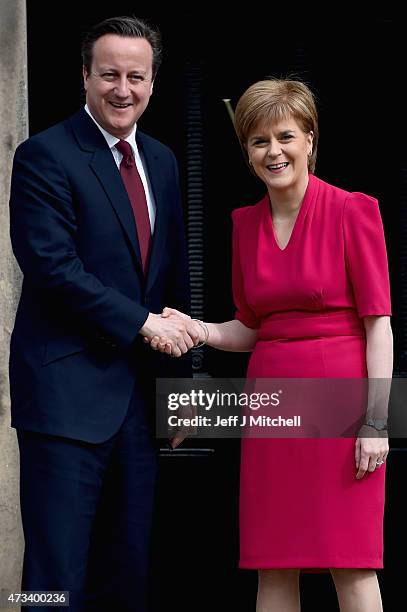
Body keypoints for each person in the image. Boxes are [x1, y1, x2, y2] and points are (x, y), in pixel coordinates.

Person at [150, 78, 393, 611]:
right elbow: (253, 327)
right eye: (259, 142)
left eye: (285, 136)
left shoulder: (354, 210)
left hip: (344, 407)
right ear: (247, 153)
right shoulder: (243, 224)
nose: (273, 151)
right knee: (272, 562)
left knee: (350, 561)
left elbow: (379, 326)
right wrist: (199, 328)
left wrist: (377, 422)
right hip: (271, 406)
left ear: (309, 138)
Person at [9, 15, 197, 612]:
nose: (123, 89)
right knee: (52, 579)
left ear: (152, 82)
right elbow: (52, 267)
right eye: (109, 74)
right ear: (85, 76)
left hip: (140, 408)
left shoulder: (163, 161)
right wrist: (144, 324)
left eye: (136, 76)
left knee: (129, 574)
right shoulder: (44, 155)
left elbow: (170, 283)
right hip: (64, 402)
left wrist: (179, 395)